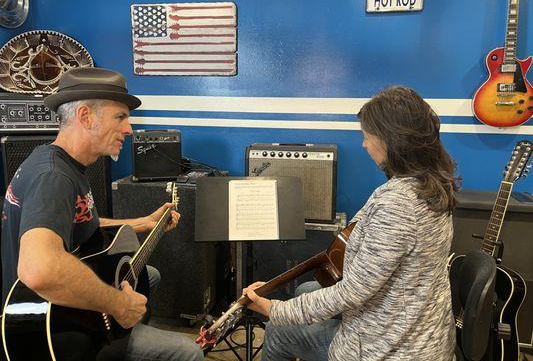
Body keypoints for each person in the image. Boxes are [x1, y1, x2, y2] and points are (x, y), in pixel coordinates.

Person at [1, 67, 204, 361]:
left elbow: (79, 220)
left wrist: (143, 223)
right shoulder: (54, 177)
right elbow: (39, 269)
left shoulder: (53, 160)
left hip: (51, 307)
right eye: (120, 117)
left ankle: (118, 339)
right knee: (189, 353)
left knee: (150, 276)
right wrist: (120, 306)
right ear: (85, 117)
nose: (129, 130)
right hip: (54, 320)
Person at [245, 86, 458, 361]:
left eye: (367, 136)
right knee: (306, 290)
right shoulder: (433, 183)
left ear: (392, 140)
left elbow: (352, 293)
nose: (364, 144)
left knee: (278, 330)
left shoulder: (397, 203)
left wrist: (273, 308)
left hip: (390, 348)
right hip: (424, 326)